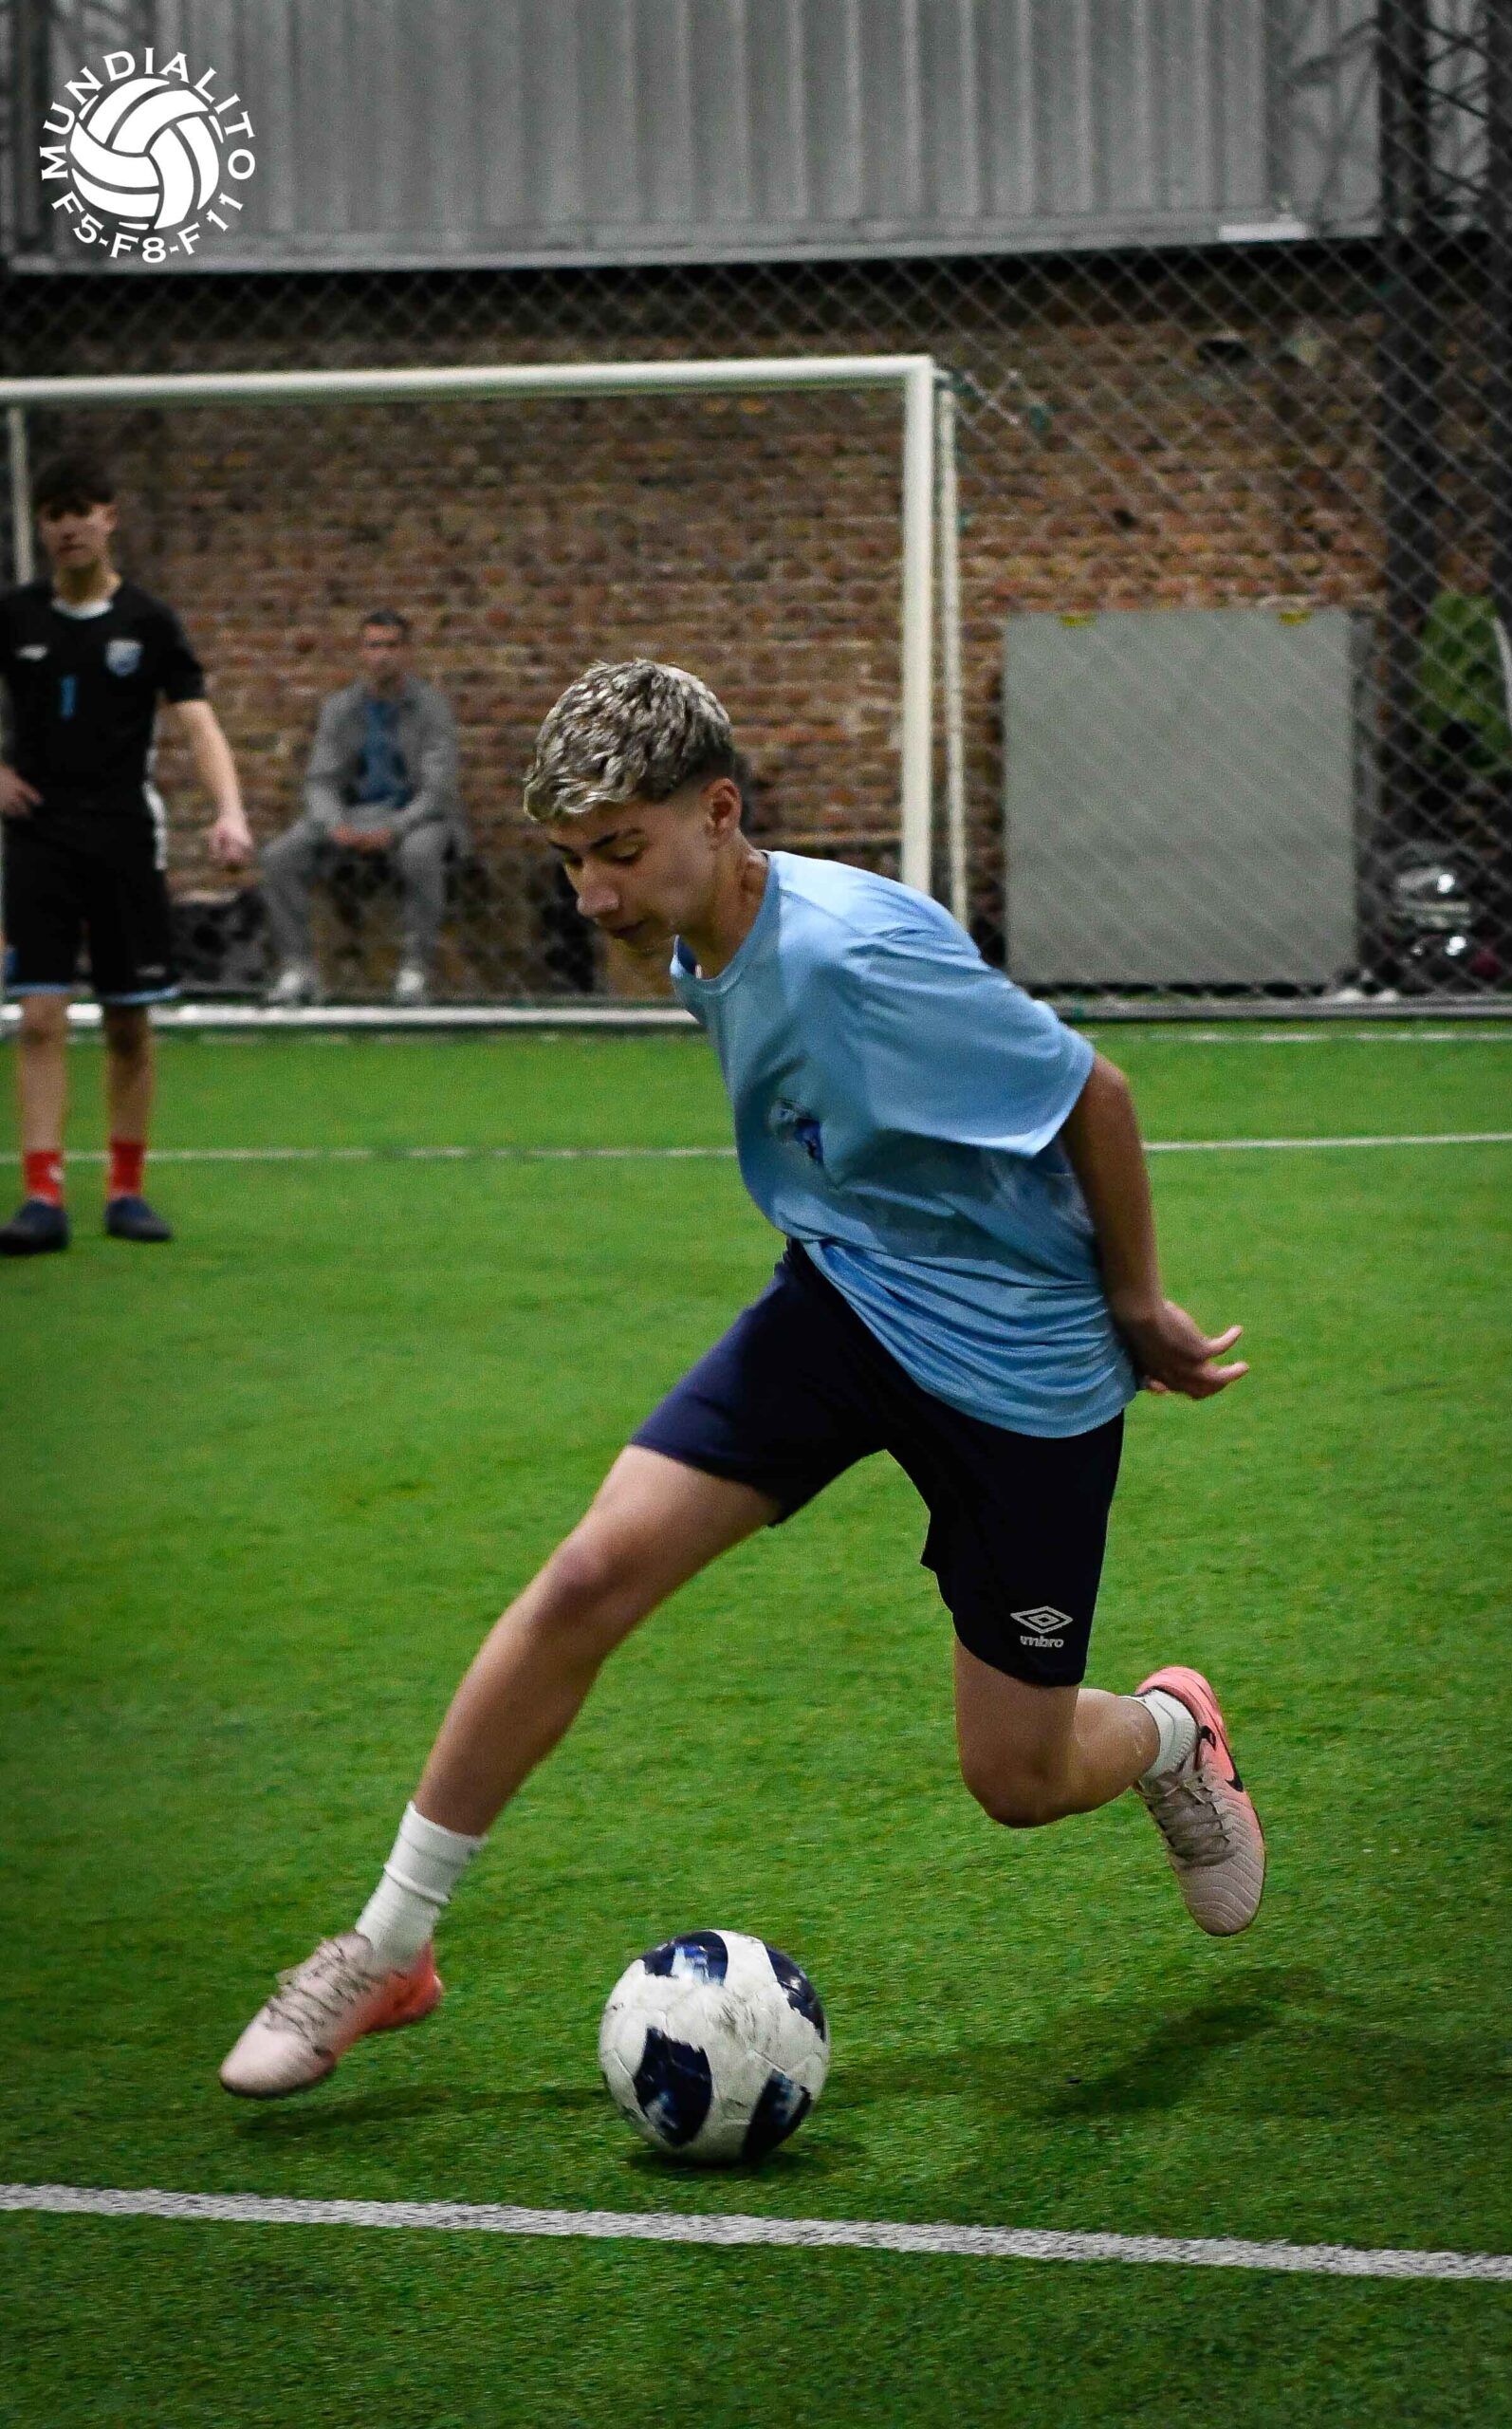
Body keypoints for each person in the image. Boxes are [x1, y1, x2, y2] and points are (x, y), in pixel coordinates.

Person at [220, 659, 1264, 2101]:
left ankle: (1168, 1734)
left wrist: (1134, 1303)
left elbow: (1095, 1092)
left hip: (1018, 1364)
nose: (591, 892)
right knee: (589, 1576)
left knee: (1016, 1780)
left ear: (718, 813)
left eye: (619, 850)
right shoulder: (692, 939)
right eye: (571, 859)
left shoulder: (854, 951)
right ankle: (387, 1945)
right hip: (842, 1303)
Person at [0, 454, 251, 1257]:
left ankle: (126, 1189)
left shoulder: (147, 622)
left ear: (109, 517)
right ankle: (42, 1196)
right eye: (53, 514)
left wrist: (229, 811)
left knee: (128, 1022)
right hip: (38, 838)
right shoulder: (15, 616)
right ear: (41, 526)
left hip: (123, 840)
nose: (68, 526)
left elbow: (198, 722)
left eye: (82, 510)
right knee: (39, 1018)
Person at [261, 611, 462, 1007]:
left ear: (407, 652)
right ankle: (297, 970)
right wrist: (334, 823)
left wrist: (396, 827)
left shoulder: (431, 708)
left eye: (391, 646)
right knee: (279, 856)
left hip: (414, 818)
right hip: (351, 816)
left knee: (420, 853)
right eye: (373, 646)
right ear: (361, 652)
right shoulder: (341, 708)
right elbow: (321, 780)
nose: (382, 655)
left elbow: (437, 790)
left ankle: (414, 971)